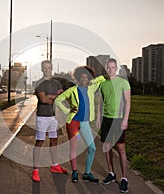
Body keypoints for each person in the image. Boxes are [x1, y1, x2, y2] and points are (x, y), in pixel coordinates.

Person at [55, 66, 105, 183]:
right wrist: (67, 110)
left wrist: (92, 81)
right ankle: (75, 172)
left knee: (92, 148)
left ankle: (87, 173)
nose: (84, 78)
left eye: (86, 76)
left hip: (85, 122)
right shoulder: (72, 90)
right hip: (73, 122)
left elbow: (102, 78)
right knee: (74, 148)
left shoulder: (91, 88)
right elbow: (58, 100)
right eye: (82, 76)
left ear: (89, 78)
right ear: (77, 78)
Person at [96, 58, 131, 193]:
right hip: (106, 119)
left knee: (121, 148)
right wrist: (99, 118)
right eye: (108, 67)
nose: (111, 70)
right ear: (106, 69)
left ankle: (124, 178)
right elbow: (100, 103)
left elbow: (128, 102)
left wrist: (125, 119)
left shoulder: (123, 83)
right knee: (106, 147)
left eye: (113, 67)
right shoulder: (103, 84)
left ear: (116, 68)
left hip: (118, 119)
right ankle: (111, 173)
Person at [32, 60, 67, 182]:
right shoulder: (39, 83)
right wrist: (54, 97)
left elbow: (61, 98)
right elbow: (44, 100)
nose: (47, 70)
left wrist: (51, 96)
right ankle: (35, 170)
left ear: (51, 68)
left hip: (53, 117)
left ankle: (55, 165)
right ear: (42, 69)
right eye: (45, 68)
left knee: (54, 141)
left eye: (49, 68)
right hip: (42, 117)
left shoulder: (56, 83)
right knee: (40, 142)